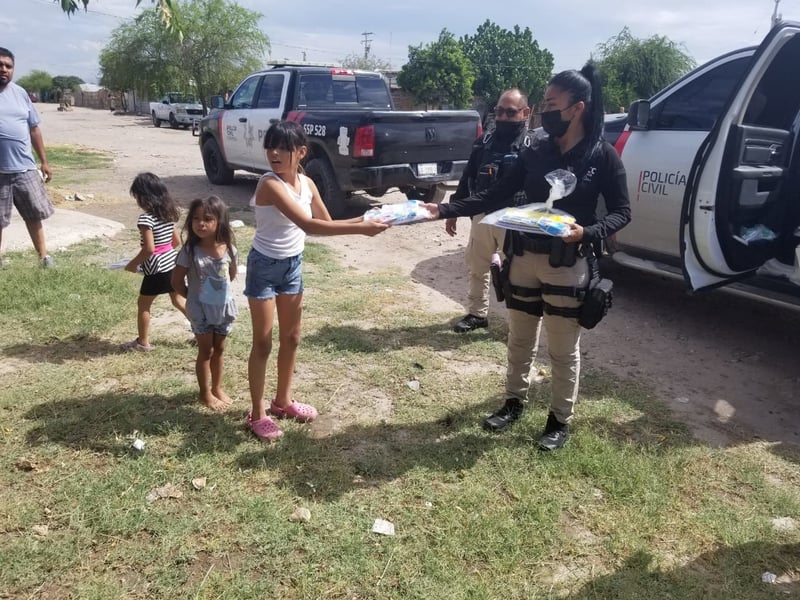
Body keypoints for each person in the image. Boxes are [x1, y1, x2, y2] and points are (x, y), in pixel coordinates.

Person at [424, 64, 631, 451]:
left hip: (569, 264)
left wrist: (587, 232)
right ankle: (513, 402)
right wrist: (444, 210)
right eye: (542, 105)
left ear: (577, 108)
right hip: (522, 259)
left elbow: (622, 211)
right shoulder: (535, 154)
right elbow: (495, 195)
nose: (544, 112)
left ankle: (559, 419)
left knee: (562, 348)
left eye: (551, 104)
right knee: (520, 339)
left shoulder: (602, 157)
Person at [244, 121, 389, 441]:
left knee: (292, 337)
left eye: (282, 148)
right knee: (264, 342)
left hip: (292, 266)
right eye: (270, 147)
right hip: (264, 267)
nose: (274, 153)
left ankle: (282, 402)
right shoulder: (268, 184)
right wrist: (361, 229)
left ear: (301, 152)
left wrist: (367, 219)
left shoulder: (307, 184)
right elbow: (309, 226)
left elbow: (326, 221)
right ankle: (257, 413)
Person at [446, 88, 532, 333]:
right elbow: (468, 177)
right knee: (477, 267)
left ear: (525, 113)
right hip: (483, 216)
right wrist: (453, 209)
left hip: (515, 219)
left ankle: (518, 323)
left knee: (517, 274)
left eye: (510, 112)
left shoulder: (533, 146)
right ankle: (477, 314)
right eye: (499, 111)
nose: (503, 117)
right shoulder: (484, 143)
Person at [172, 196, 238, 411]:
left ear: (219, 222)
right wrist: (193, 298)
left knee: (219, 349)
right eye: (196, 219)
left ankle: (217, 388)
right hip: (200, 311)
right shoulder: (190, 251)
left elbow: (231, 274)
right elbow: (176, 281)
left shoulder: (228, 248)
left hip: (223, 309)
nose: (201, 223)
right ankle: (205, 393)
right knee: (205, 351)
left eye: (208, 219)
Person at [0, 47, 56, 268]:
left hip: (24, 169)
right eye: (0, 65)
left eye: (8, 65)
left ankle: (44, 258)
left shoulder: (21, 94)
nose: (3, 69)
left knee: (34, 214)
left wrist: (44, 161)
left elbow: (34, 129)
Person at [123, 172, 187, 351]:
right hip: (172, 263)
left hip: (156, 268)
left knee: (144, 304)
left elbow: (149, 249)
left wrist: (132, 264)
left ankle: (143, 342)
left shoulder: (146, 219)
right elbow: (175, 242)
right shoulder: (169, 214)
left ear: (144, 197)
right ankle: (202, 332)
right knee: (179, 300)